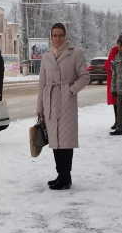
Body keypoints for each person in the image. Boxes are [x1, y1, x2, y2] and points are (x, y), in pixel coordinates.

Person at [37, 23, 90, 190]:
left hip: (66, 101)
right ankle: (60, 174)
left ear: (65, 35)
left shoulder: (75, 53)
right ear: (50, 36)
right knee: (54, 140)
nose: (57, 38)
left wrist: (70, 90)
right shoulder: (46, 55)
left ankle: (66, 177)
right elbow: (42, 82)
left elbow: (84, 76)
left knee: (66, 140)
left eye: (60, 35)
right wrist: (40, 106)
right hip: (50, 99)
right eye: (54, 35)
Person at [104, 35, 122, 129]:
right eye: (119, 44)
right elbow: (107, 64)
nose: (120, 46)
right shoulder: (114, 51)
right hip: (113, 80)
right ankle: (117, 121)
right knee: (115, 102)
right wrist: (111, 67)